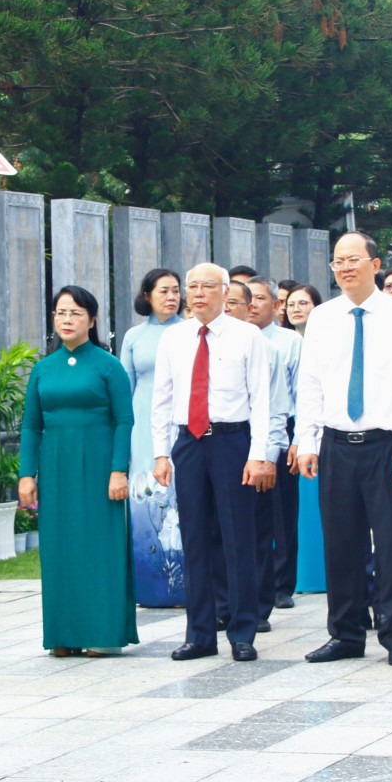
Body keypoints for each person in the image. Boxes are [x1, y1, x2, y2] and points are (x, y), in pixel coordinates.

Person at [295, 231, 392, 667]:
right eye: (338, 260)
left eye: (354, 258)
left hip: (386, 445)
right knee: (341, 543)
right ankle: (346, 633)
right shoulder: (323, 317)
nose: (345, 266)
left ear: (375, 263)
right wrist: (307, 440)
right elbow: (310, 382)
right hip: (335, 444)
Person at [151, 263, 276, 662]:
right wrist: (160, 452)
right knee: (195, 539)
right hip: (189, 442)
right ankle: (200, 633)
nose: (198, 293)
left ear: (226, 292)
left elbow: (261, 401)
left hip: (232, 442)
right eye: (193, 286)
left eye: (208, 286)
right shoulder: (174, 338)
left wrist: (259, 454)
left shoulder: (247, 336)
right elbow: (162, 398)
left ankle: (242, 631)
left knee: (238, 538)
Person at [19, 286, 136, 657]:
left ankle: (102, 633)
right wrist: (26, 474)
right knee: (60, 548)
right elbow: (30, 426)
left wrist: (119, 470)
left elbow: (124, 420)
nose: (66, 320)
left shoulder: (107, 364)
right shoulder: (42, 369)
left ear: (92, 320)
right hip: (56, 467)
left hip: (100, 466)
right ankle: (63, 634)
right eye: (60, 313)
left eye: (75, 313)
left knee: (100, 546)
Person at [223, 279, 294, 631]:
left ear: (249, 308)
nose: (226, 308)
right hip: (219, 448)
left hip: (258, 451)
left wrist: (268, 456)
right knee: (219, 531)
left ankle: (259, 605)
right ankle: (224, 604)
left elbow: (278, 408)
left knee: (257, 532)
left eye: (234, 302)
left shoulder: (270, 350)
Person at [119, 269, 186, 607]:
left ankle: (189, 588)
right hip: (142, 427)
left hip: (183, 423)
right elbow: (124, 389)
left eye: (176, 290)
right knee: (146, 502)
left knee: (183, 502)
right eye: (164, 291)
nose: (171, 296)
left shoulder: (190, 332)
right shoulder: (133, 337)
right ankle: (150, 589)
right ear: (147, 295)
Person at [245, 278, 304, 613]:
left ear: (275, 305)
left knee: (282, 513)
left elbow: (298, 392)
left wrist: (297, 440)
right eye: (246, 298)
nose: (252, 304)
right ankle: (256, 582)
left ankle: (282, 584)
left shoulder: (288, 342)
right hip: (245, 430)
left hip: (284, 428)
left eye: (260, 298)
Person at [281, 283, 328, 594]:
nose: (296, 309)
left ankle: (319, 574)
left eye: (304, 303)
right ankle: (298, 575)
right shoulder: (283, 343)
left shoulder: (325, 340)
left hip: (319, 428)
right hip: (292, 427)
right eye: (291, 304)